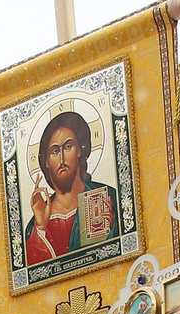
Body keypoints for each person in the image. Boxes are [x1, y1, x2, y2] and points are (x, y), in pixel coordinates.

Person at [21, 109, 121, 267]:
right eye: (54, 151)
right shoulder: (37, 221)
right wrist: (40, 228)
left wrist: (113, 230)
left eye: (68, 147)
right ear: (46, 161)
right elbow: (36, 276)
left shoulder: (108, 198)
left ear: (80, 150)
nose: (61, 158)